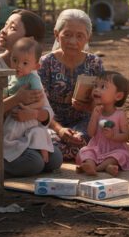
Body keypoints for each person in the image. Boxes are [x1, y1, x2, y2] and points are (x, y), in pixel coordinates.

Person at [0, 9, 64, 177]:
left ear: (29, 40)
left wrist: (34, 113)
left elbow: (48, 113)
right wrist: (15, 99)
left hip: (17, 137)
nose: (3, 30)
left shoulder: (29, 69)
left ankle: (8, 163)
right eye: (5, 25)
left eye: (12, 27)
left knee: (55, 158)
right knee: (34, 161)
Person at [40, 9, 105, 162]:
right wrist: (59, 129)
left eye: (79, 36)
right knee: (48, 143)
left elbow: (103, 102)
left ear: (88, 37)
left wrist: (86, 107)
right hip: (50, 123)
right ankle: (84, 153)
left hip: (83, 123)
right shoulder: (45, 63)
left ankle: (80, 149)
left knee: (85, 138)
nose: (73, 41)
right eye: (67, 35)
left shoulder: (94, 63)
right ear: (57, 34)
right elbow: (39, 104)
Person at [1, 37, 54, 165]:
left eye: (25, 63)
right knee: (7, 134)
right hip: (14, 115)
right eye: (15, 60)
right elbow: (3, 98)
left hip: (28, 115)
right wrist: (11, 102)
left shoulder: (32, 79)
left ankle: (42, 150)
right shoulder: (9, 77)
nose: (18, 66)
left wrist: (30, 110)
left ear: (36, 66)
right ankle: (8, 155)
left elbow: (41, 103)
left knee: (35, 132)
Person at [76, 72, 129, 176]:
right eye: (95, 86)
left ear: (118, 96)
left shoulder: (120, 115)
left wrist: (113, 136)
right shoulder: (96, 112)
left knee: (120, 155)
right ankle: (95, 165)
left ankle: (97, 168)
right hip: (97, 148)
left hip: (115, 149)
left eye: (103, 87)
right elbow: (91, 133)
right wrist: (94, 117)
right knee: (85, 151)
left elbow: (126, 136)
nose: (96, 89)